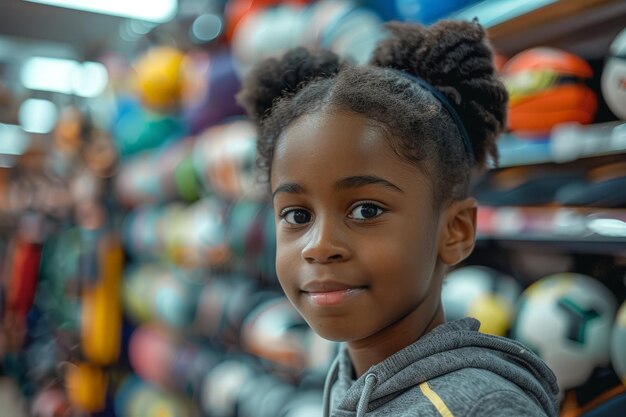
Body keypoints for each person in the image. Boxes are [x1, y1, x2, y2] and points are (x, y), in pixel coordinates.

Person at [237, 19, 559, 417]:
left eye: (366, 210)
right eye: (297, 214)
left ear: (454, 231)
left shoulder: (476, 408)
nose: (318, 246)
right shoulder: (348, 373)